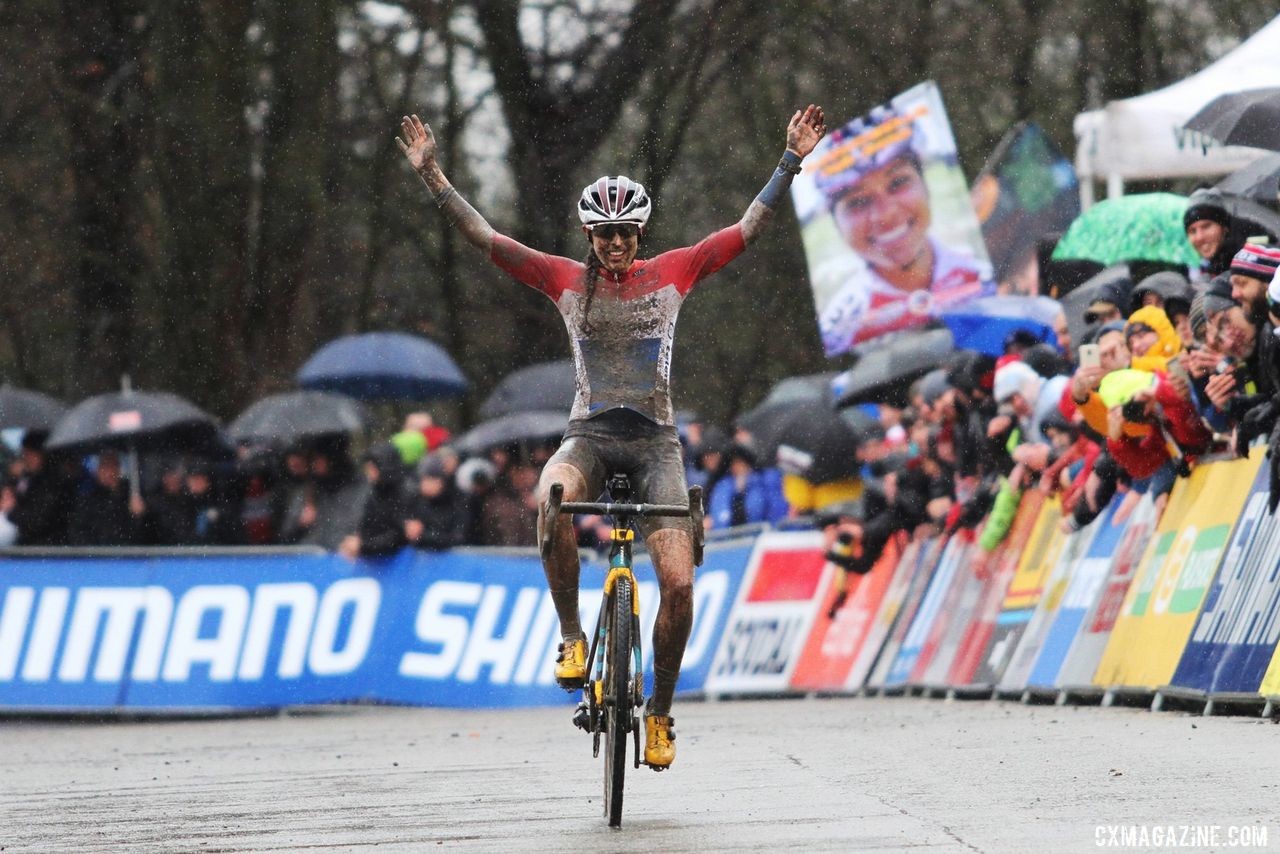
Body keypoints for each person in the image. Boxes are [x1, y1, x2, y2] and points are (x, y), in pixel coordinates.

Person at [397, 103, 826, 769]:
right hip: (591, 435)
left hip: (656, 443)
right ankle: (571, 634)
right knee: (552, 497)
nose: (616, 244)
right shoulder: (567, 281)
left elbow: (745, 229)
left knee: (679, 586)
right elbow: (487, 238)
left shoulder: (674, 273)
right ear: (590, 237)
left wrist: (789, 161)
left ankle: (659, 713)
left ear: (641, 232)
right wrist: (433, 177)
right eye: (604, 234)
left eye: (625, 232)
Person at [812, 107, 992, 352]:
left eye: (898, 183)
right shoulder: (839, 330)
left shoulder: (986, 272)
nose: (886, 214)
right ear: (836, 223)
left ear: (925, 185)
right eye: (858, 202)